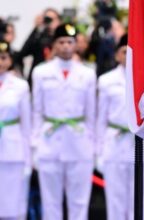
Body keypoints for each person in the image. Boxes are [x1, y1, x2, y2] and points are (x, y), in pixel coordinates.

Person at [31, 23, 96, 220]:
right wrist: (34, 145)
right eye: (61, 42)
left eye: (70, 42)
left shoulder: (87, 73)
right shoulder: (41, 72)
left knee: (79, 201)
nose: (66, 46)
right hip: (49, 142)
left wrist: (94, 145)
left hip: (79, 143)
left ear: (76, 44)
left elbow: (92, 113)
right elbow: (36, 111)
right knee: (50, 202)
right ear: (54, 45)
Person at [96, 34, 144, 220]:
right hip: (114, 143)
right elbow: (100, 118)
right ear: (117, 55)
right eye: (124, 52)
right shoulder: (106, 81)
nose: (129, 57)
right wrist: (99, 151)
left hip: (143, 142)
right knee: (115, 201)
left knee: (140, 201)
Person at [0, 40, 31, 219]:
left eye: (3, 57)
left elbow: (26, 125)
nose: (0, 62)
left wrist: (28, 158)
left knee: (14, 202)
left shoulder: (20, 86)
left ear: (10, 60)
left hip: (12, 147)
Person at [18, 8, 61, 87]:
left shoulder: (63, 39)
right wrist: (36, 28)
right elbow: (23, 53)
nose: (49, 22)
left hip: (56, 80)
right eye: (47, 19)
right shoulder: (38, 36)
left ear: (59, 21)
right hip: (38, 80)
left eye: (52, 19)